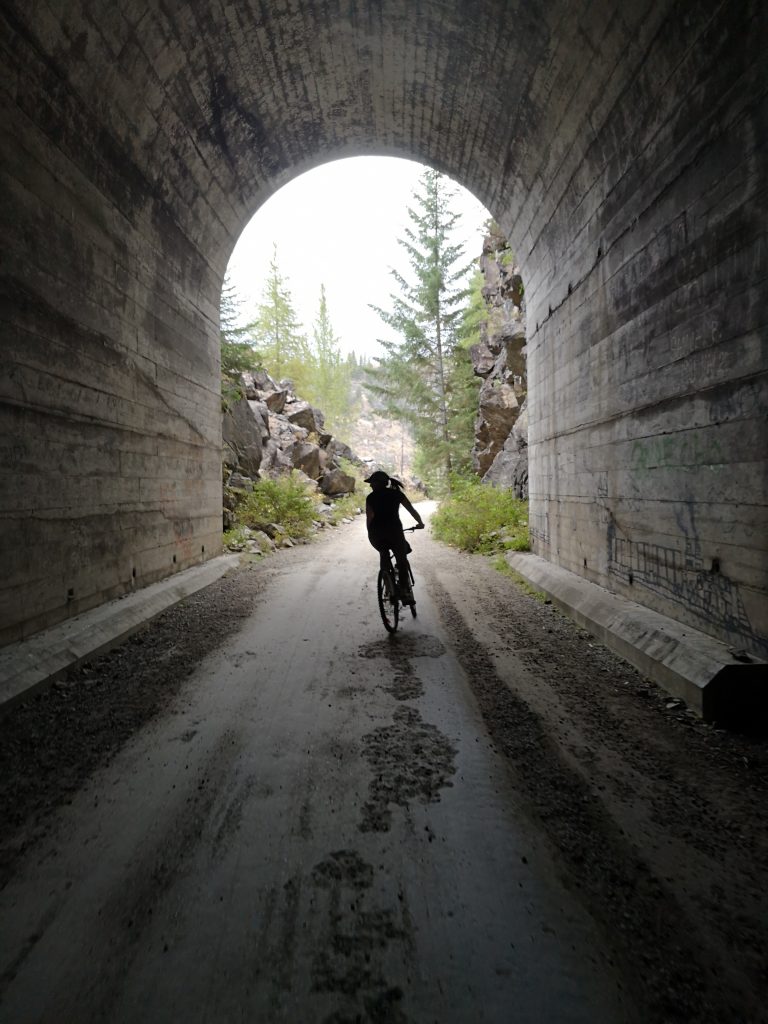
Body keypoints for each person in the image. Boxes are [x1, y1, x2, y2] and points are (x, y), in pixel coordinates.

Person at [365, 470, 424, 602]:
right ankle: (404, 591)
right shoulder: (396, 494)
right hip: (394, 532)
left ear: (378, 483)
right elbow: (411, 510)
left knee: (383, 554)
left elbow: (369, 517)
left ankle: (388, 586)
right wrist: (420, 522)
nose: (370, 486)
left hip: (377, 534)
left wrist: (370, 533)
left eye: (372, 483)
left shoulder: (370, 497)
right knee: (401, 560)